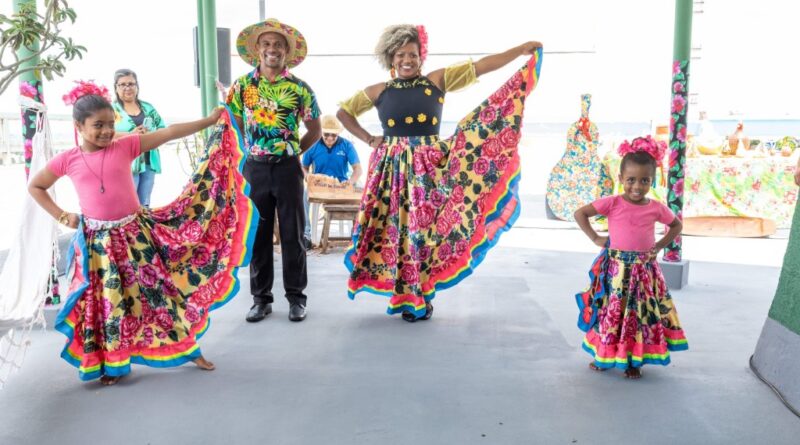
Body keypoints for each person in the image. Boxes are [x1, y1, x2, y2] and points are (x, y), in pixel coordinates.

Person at [28, 81, 255, 385]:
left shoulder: (126, 146)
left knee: (160, 295)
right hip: (99, 248)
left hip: (136, 237)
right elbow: (36, 186)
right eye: (98, 125)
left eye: (110, 124)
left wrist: (209, 120)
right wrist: (62, 215)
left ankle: (188, 350)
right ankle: (113, 364)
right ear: (79, 126)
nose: (107, 131)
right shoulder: (67, 159)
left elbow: (169, 133)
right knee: (110, 304)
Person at [337, 24, 542, 322]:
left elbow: (480, 67)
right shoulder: (378, 91)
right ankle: (405, 294)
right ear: (391, 57)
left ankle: (421, 296)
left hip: (430, 170)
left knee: (423, 234)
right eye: (400, 54)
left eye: (413, 54)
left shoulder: (436, 81)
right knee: (395, 232)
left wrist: (518, 51)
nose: (407, 60)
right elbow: (343, 113)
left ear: (421, 56)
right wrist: (369, 139)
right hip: (391, 172)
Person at [227, 18, 321, 323]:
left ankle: (296, 298)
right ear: (257, 49)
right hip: (254, 169)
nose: (272, 49)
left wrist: (292, 151)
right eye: (266, 44)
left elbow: (315, 130)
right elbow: (234, 124)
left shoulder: (300, 88)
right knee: (258, 234)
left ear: (287, 52)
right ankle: (261, 300)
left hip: (288, 169)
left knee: (293, 234)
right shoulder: (242, 86)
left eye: (278, 45)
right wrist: (251, 149)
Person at [573, 136, 688, 379]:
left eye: (644, 180)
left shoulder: (655, 207)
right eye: (631, 180)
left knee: (637, 316)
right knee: (613, 314)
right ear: (621, 178)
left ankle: (633, 360)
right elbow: (581, 213)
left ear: (652, 181)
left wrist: (659, 245)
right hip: (616, 273)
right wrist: (595, 238)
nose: (637, 186)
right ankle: (604, 355)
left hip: (644, 273)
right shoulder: (612, 203)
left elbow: (676, 225)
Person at [301, 114, 362, 246]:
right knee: (303, 195)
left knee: (363, 191)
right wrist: (307, 176)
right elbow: (303, 167)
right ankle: (306, 235)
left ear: (338, 134)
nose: (330, 138)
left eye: (333, 135)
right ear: (321, 132)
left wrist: (351, 181)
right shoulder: (313, 145)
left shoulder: (346, 145)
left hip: (341, 184)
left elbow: (358, 169)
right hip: (318, 184)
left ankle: (357, 234)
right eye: (326, 134)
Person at [111, 69, 167, 207]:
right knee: (128, 204)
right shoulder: (111, 110)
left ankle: (144, 222)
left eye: (131, 84)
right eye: (122, 84)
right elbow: (106, 134)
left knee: (145, 205)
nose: (127, 88)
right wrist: (132, 134)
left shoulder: (148, 108)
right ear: (116, 88)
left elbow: (162, 128)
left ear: (137, 86)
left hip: (149, 161)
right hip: (126, 164)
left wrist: (152, 135)